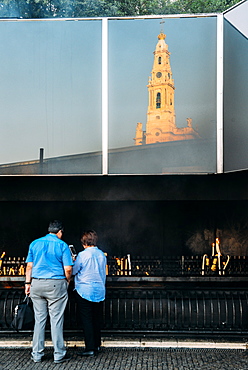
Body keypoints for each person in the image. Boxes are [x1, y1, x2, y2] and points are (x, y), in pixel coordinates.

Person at [25, 220, 73, 364]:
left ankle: (37, 354)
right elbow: (68, 269)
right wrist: (67, 281)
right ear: (60, 232)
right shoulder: (62, 245)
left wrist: (27, 284)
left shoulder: (34, 243)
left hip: (36, 283)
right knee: (56, 320)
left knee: (39, 320)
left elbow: (29, 267)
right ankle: (58, 354)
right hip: (56, 284)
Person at [73, 230, 106, 357]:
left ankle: (90, 348)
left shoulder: (82, 255)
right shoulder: (102, 254)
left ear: (84, 242)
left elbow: (75, 270)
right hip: (99, 290)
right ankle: (97, 345)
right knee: (97, 318)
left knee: (87, 320)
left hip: (84, 290)